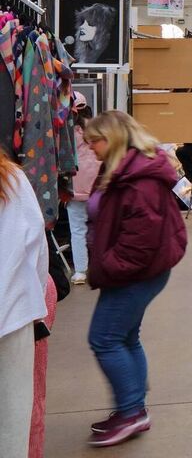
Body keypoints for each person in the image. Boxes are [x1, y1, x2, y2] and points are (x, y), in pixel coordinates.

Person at [82, 111, 188, 448]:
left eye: (93, 141)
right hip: (135, 271)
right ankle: (132, 407)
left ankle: (131, 412)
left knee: (104, 338)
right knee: (125, 337)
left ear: (111, 138)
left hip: (134, 274)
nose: (89, 148)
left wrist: (109, 266)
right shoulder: (124, 169)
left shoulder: (139, 179)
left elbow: (140, 240)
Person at [0, 147, 49, 458]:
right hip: (12, 315)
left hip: (15, 312)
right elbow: (38, 251)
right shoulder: (13, 179)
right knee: (11, 429)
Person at [68, 95, 102, 285]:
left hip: (76, 186)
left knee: (78, 229)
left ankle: (81, 271)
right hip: (98, 185)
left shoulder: (69, 132)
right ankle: (100, 264)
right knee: (100, 226)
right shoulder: (97, 129)